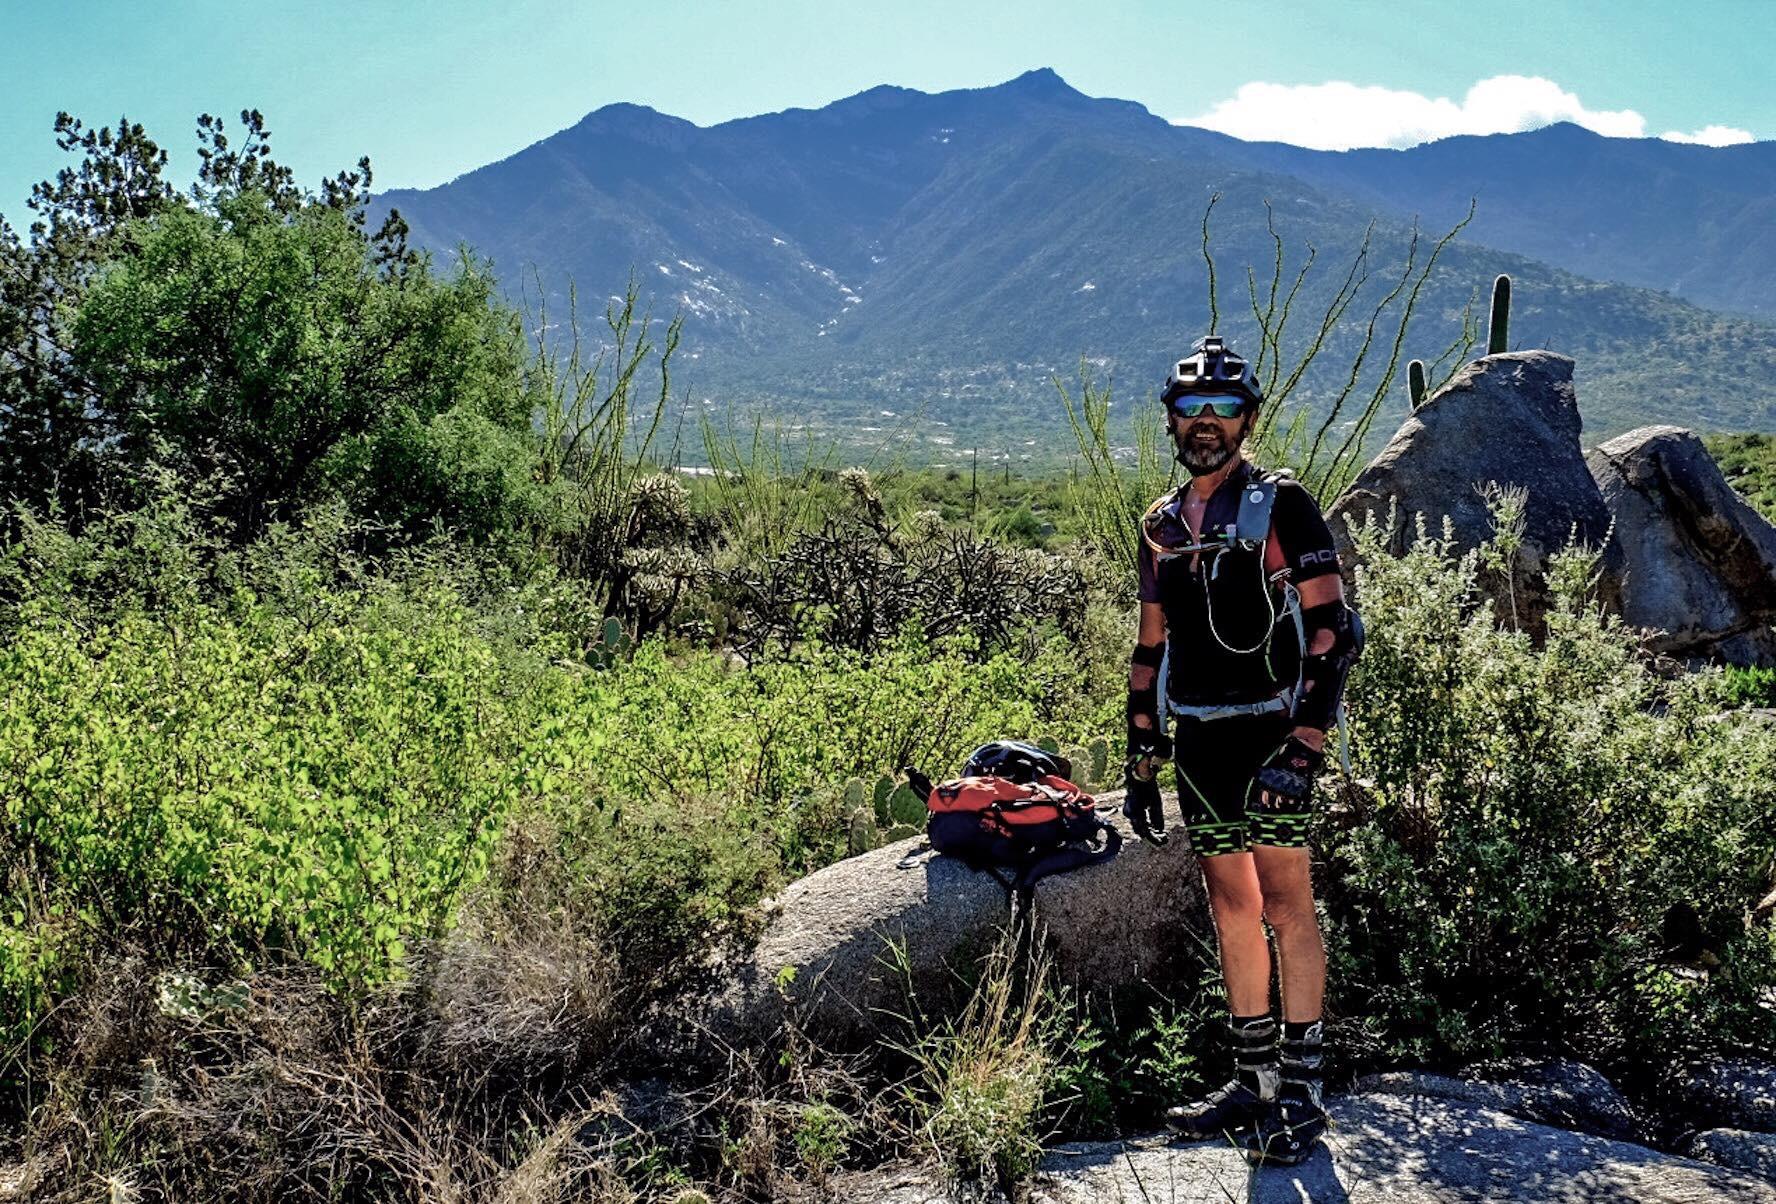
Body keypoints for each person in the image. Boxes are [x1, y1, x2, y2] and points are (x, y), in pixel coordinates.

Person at [1123, 335, 1362, 1166]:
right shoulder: (1159, 526)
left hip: (1269, 736)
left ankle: (1303, 1091)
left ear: (1248, 419)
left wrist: (1304, 745)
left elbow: (1333, 632)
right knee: (1232, 906)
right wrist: (1141, 754)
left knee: (1288, 902)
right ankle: (1253, 1078)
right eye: (1192, 409)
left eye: (1224, 409)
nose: (1207, 423)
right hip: (1200, 742)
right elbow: (1150, 646)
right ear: (1172, 422)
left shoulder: (1281, 504)